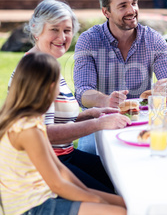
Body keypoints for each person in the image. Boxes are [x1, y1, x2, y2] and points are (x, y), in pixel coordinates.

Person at [9, 0, 131, 194]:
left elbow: (53, 116)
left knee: (123, 176)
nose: (62, 37)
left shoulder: (46, 63)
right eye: (54, 29)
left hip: (64, 155)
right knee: (118, 192)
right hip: (47, 165)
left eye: (67, 30)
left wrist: (92, 113)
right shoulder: (36, 70)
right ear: (36, 30)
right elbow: (42, 133)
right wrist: (97, 124)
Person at [0, 52, 126, 215]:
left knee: (124, 204)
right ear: (51, 87)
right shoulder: (27, 129)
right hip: (33, 208)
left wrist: (94, 195)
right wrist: (96, 200)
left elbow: (60, 169)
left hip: (43, 198)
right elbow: (57, 184)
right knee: (119, 212)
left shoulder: (31, 120)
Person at [73, 0, 167, 153]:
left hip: (139, 122)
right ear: (106, 12)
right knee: (90, 159)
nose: (132, 10)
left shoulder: (153, 39)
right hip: (99, 121)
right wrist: (106, 100)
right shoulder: (89, 40)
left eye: (134, 3)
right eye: (123, 6)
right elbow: (82, 92)